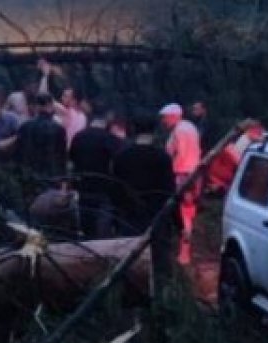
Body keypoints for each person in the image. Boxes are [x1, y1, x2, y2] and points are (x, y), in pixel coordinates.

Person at [112, 115, 176, 277]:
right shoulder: (162, 157)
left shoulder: (122, 157)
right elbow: (170, 191)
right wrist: (176, 221)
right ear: (154, 131)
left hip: (129, 218)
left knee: (130, 266)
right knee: (158, 264)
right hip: (156, 218)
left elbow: (115, 190)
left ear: (133, 129)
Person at [68, 110, 123, 239]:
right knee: (102, 226)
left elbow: (71, 159)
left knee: (86, 223)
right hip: (104, 189)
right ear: (106, 122)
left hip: (83, 187)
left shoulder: (78, 136)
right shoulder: (109, 138)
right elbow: (118, 160)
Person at [160, 103, 202, 265]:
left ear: (173, 116)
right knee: (189, 212)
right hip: (195, 173)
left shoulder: (178, 131)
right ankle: (184, 250)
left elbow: (176, 154)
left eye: (165, 117)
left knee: (183, 213)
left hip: (182, 175)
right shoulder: (190, 127)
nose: (163, 121)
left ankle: (184, 253)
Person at [16, 92, 68, 180]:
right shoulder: (58, 128)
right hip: (51, 175)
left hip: (29, 175)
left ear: (36, 106)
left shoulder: (24, 127)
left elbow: (20, 152)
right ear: (50, 105)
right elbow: (62, 156)